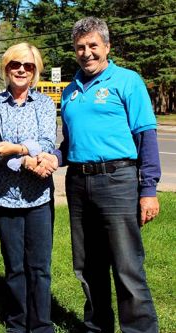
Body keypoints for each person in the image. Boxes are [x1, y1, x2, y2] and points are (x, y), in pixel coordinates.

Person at [38, 17, 160, 333]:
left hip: (117, 181)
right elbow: (71, 141)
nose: (87, 52)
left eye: (93, 45)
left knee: (127, 266)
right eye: (80, 47)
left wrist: (148, 189)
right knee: (88, 266)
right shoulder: (70, 91)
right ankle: (97, 327)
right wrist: (55, 157)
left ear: (106, 46)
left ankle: (140, 329)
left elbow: (145, 135)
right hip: (78, 183)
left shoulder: (127, 81)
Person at [0, 42, 56, 333]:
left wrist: (20, 148)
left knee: (39, 268)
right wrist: (26, 161)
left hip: (39, 197)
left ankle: (41, 326)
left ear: (36, 70)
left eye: (28, 65)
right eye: (16, 64)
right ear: (6, 68)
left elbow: (48, 143)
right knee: (14, 267)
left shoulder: (46, 104)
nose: (22, 70)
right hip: (4, 197)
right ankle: (16, 324)